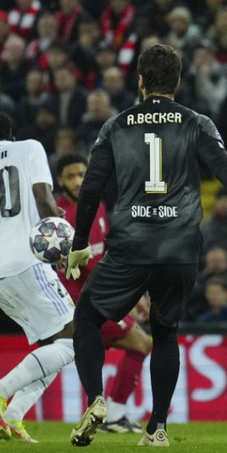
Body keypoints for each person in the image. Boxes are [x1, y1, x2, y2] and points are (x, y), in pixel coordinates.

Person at [65, 45, 227, 448]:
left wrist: (80, 242)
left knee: (86, 320)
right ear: (178, 82)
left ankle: (97, 399)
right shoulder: (196, 122)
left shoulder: (116, 126)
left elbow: (90, 187)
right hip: (180, 246)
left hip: (131, 245)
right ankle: (158, 428)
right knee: (165, 333)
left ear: (139, 80)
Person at [0, 112, 74, 444]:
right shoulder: (29, 148)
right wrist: (60, 234)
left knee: (51, 347)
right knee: (76, 339)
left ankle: (12, 417)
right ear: (11, 135)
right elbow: (43, 198)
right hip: (28, 261)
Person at [55, 153, 152, 434]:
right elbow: (83, 268)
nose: (77, 181)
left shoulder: (96, 206)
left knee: (137, 344)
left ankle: (113, 414)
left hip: (100, 297)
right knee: (141, 343)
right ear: (60, 180)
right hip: (81, 302)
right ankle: (113, 415)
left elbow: (106, 252)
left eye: (82, 174)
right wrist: (127, 297)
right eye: (71, 176)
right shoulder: (58, 218)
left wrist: (134, 294)